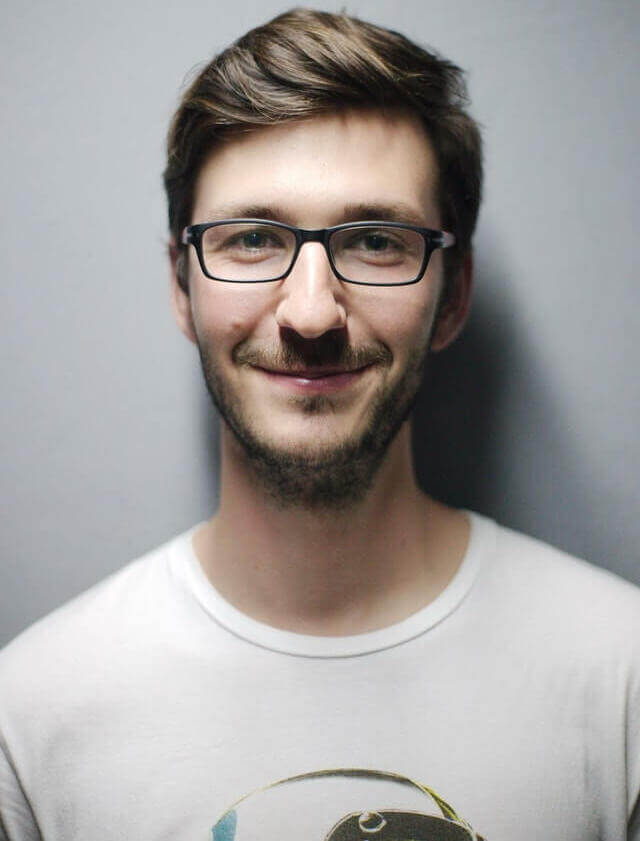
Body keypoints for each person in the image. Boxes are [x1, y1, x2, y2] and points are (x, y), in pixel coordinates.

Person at [0, 9, 638, 841]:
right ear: (181, 286)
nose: (310, 313)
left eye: (374, 240)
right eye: (252, 238)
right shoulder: (30, 720)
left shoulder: (622, 679)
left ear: (453, 294)